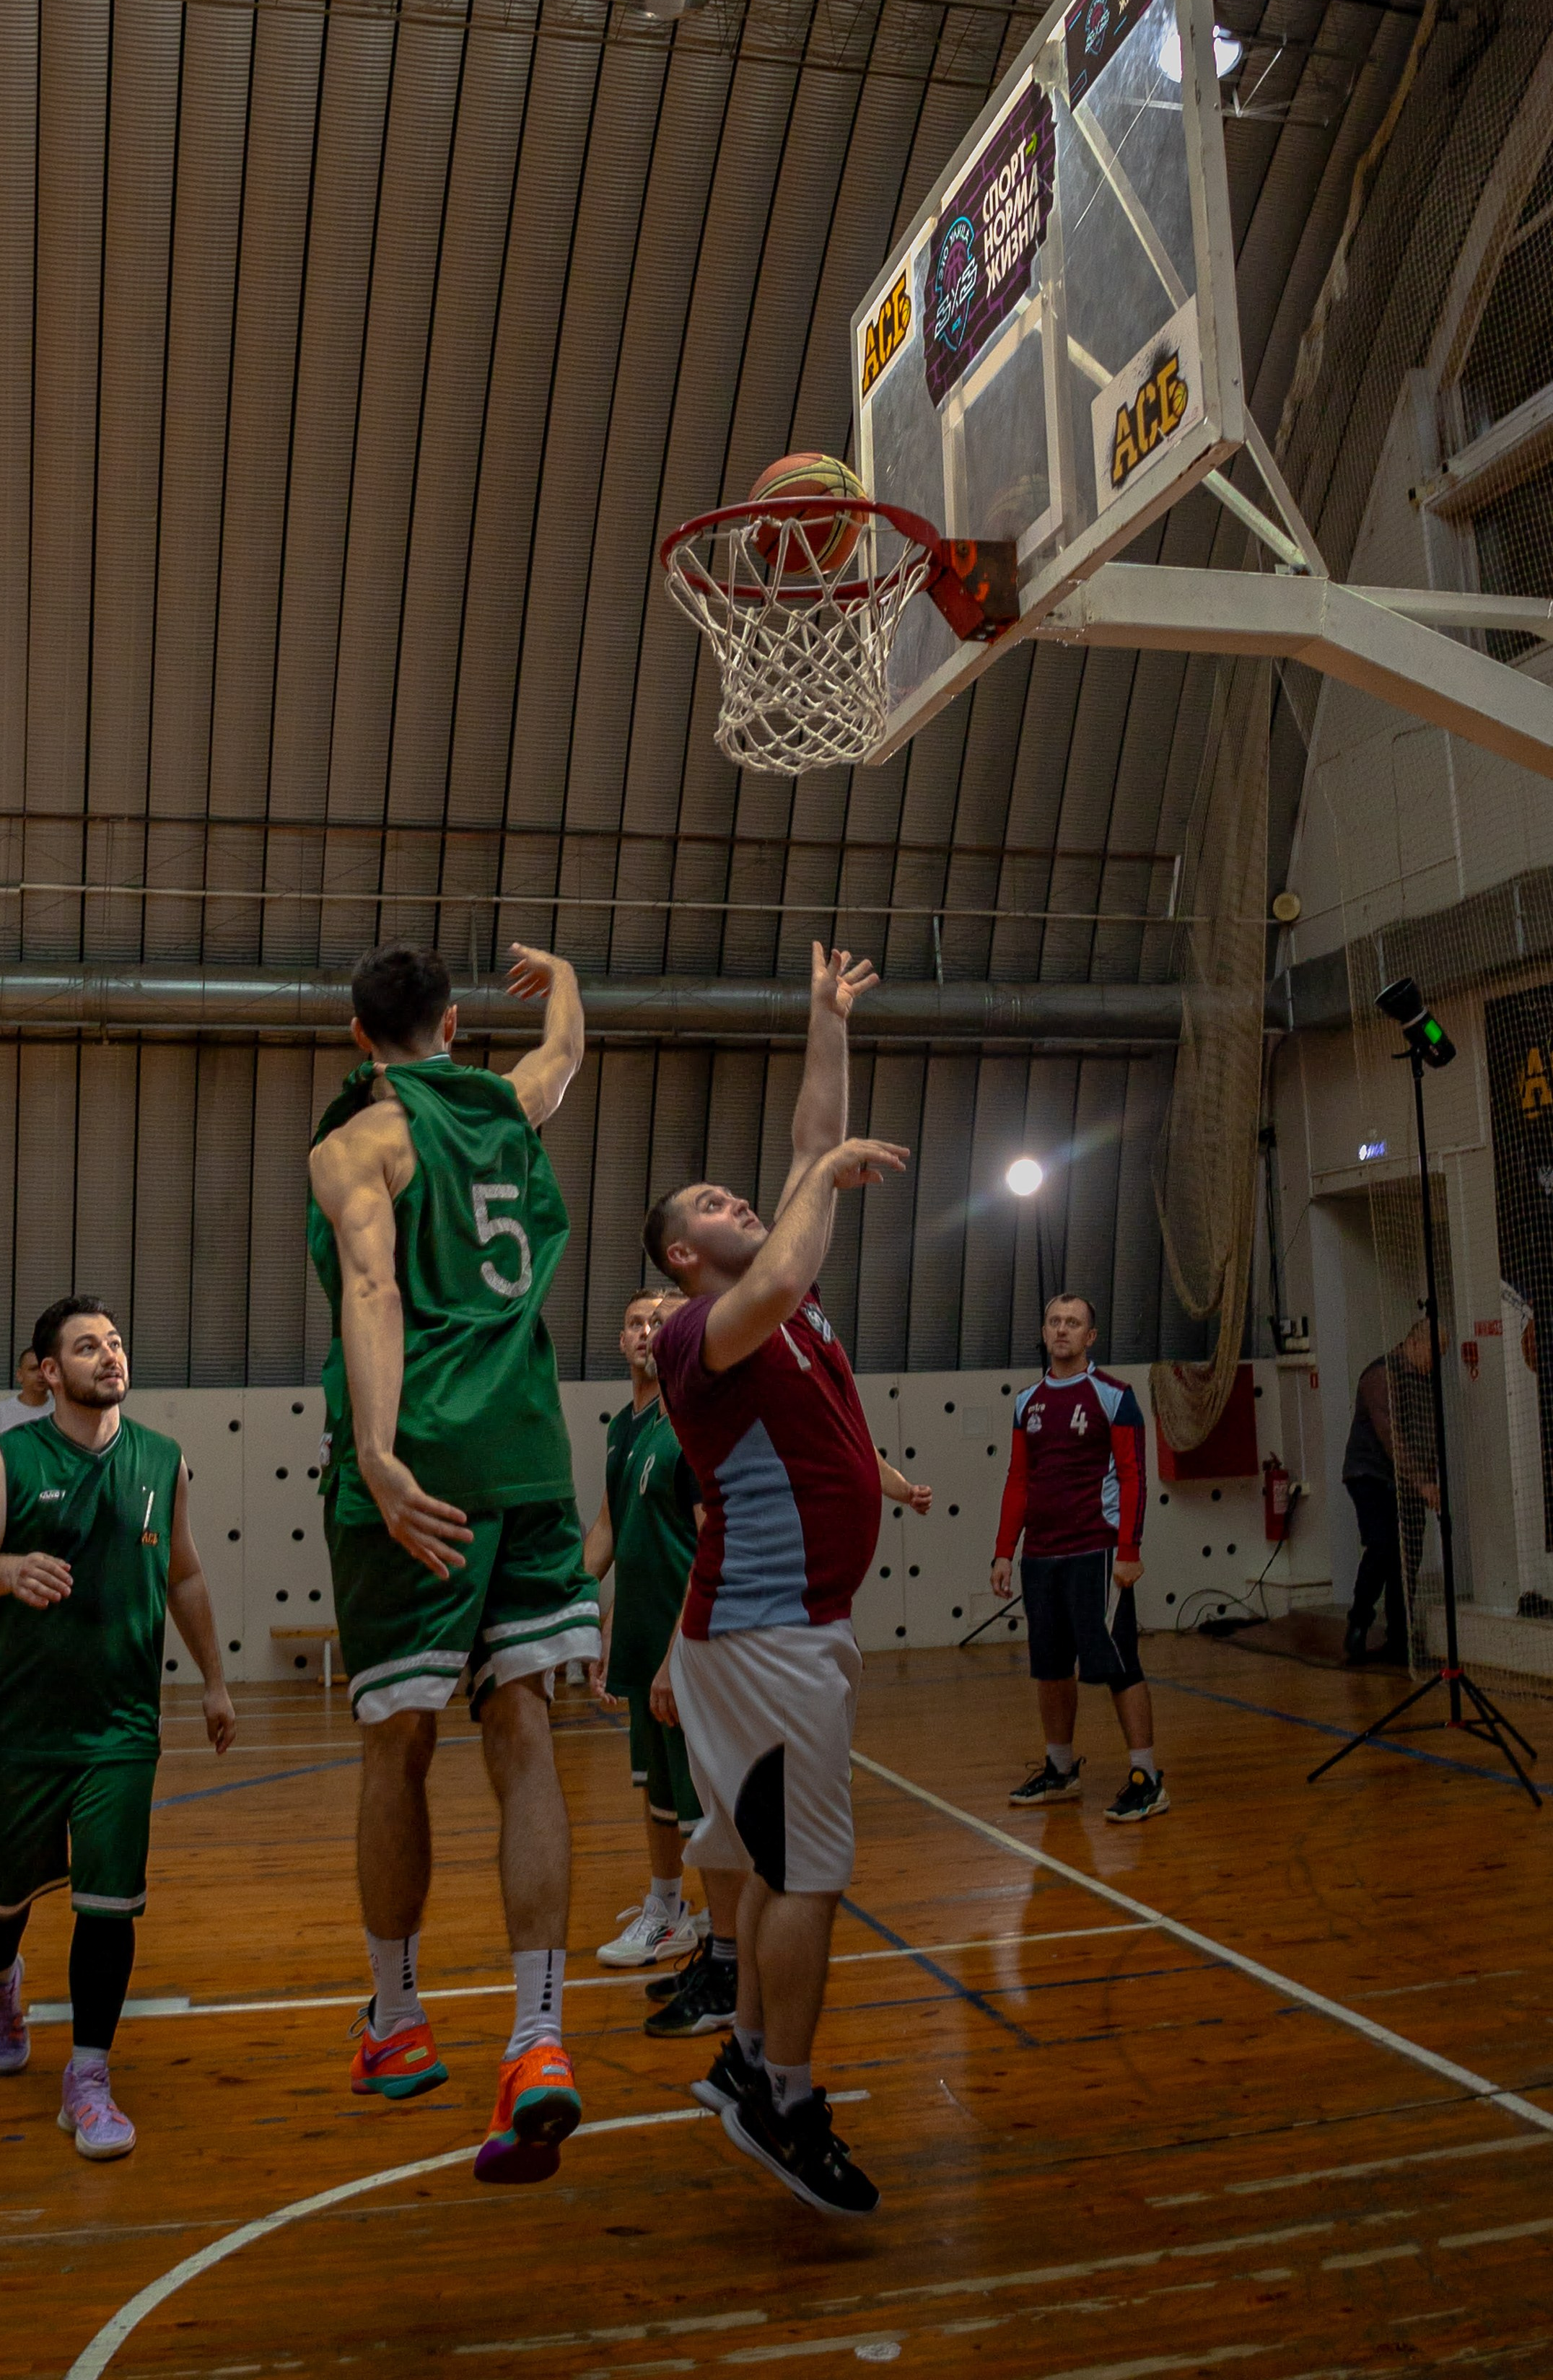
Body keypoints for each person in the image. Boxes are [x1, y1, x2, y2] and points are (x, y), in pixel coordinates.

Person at [307, 936, 601, 2187]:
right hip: (529, 1456)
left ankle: (399, 2019)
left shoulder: (357, 1144)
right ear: (456, 1020)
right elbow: (567, 1053)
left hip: (419, 1458)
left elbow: (371, 1288)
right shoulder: (511, 1102)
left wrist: (376, 1452)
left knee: (398, 1738)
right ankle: (537, 2039)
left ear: (358, 1039)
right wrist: (571, 977)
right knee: (522, 1726)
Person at [644, 942, 906, 2218]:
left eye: (739, 1193)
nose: (736, 1199)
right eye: (710, 1203)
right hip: (762, 1634)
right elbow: (799, 1238)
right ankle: (788, 2104)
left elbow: (812, 1141)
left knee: (773, 1865)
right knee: (808, 1876)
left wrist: (826, 1019)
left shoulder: (782, 1308)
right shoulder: (707, 1332)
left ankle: (750, 2062)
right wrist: (827, 1180)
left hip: (787, 1630)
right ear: (682, 1258)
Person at [0, 1298, 235, 2161]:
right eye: (84, 1347)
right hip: (20, 1726)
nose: (108, 1356)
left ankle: (90, 2075)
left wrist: (215, 1681)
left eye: (113, 1342)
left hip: (120, 1726)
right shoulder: (9, 1457)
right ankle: (0, 1982)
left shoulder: (162, 1459)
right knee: (5, 1897)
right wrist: (8, 1567)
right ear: (45, 1372)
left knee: (108, 1905)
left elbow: (182, 1575)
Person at [989, 1294, 1166, 1825]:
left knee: (1118, 1664)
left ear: (1091, 1337)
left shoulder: (1115, 1397)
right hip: (1042, 1555)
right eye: (1054, 1322)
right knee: (1049, 1667)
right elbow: (1019, 1480)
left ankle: (1147, 1778)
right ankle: (1061, 1770)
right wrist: (1004, 1552)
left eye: (1074, 1323)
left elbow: (1134, 1476)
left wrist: (1129, 1551)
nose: (1062, 1330)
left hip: (1099, 1552)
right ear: (1044, 1332)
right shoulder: (1027, 1401)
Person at [585, 1291, 706, 1974]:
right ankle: (667, 1910)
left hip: (683, 1639)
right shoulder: (621, 1427)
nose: (646, 1331)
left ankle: (720, 1929)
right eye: (635, 1321)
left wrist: (676, 1651)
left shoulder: (690, 1421)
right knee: (656, 1787)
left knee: (699, 1791)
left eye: (661, 1322)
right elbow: (609, 1529)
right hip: (638, 1630)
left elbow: (710, 1544)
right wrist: (577, 1608)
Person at [1342, 1318, 1441, 1666]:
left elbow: (1427, 1434)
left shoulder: (1426, 1379)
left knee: (1408, 1555)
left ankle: (1399, 1636)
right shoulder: (1379, 1375)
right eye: (1434, 1352)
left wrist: (1430, 1479)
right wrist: (1423, 1482)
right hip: (1370, 1473)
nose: (1436, 1363)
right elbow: (1391, 1438)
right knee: (1383, 1545)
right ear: (1414, 1343)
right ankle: (1359, 1621)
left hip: (1409, 1479)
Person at [0, 1347, 55, 1440]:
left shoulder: (61, 1411)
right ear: (20, 1375)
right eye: (33, 1369)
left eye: (45, 1369)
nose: (41, 1375)